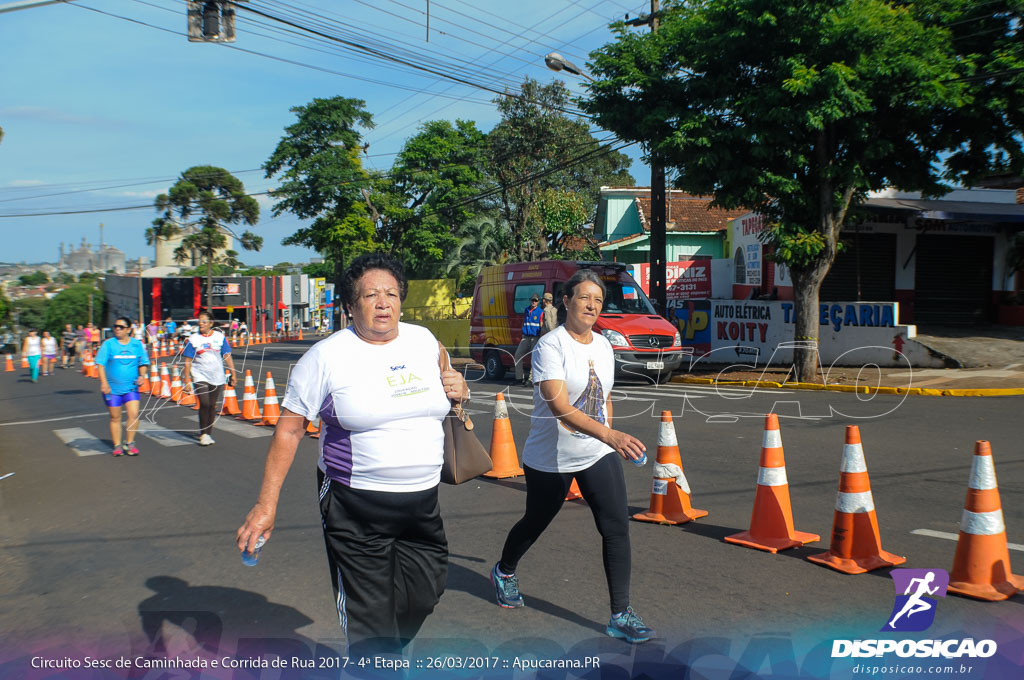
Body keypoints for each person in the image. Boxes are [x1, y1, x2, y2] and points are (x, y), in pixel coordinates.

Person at [236, 253, 468, 655]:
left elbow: (450, 384)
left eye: (391, 293)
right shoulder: (325, 358)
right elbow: (289, 429)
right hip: (355, 503)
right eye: (371, 294)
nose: (383, 302)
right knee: (371, 624)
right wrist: (265, 505)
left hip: (423, 502)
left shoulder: (424, 341)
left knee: (424, 596)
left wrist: (460, 390)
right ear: (349, 305)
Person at [490, 269, 656, 644]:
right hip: (551, 457)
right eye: (585, 298)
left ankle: (620, 614)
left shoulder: (604, 345)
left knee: (616, 527)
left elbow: (605, 396)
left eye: (598, 300)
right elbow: (560, 408)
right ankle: (504, 571)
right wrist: (611, 435)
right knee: (536, 521)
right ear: (565, 301)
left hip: (596, 452)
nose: (592, 305)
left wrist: (607, 440)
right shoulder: (551, 346)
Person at [95, 316, 150, 457]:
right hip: (112, 389)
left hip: (131, 388)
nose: (117, 329)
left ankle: (130, 443)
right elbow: (100, 364)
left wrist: (142, 375)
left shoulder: (136, 345)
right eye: (116, 326)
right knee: (115, 417)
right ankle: (117, 445)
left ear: (129, 329)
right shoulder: (108, 344)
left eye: (121, 327)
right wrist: (104, 383)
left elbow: (143, 362)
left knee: (133, 415)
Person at [182, 310, 237, 447]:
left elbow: (227, 355)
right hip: (199, 374)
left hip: (217, 375)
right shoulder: (194, 339)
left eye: (204, 321)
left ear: (211, 323)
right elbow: (188, 360)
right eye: (199, 321)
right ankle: (203, 434)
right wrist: (187, 380)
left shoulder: (219, 337)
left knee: (212, 405)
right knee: (204, 403)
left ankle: (208, 432)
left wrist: (233, 373)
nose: (201, 324)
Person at [513, 293, 543, 386]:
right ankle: (519, 378)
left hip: (535, 337)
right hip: (526, 337)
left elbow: (541, 325)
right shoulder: (526, 310)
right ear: (530, 300)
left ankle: (530, 379)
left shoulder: (540, 312)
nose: (533, 302)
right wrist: (523, 332)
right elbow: (524, 322)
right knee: (518, 355)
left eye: (535, 300)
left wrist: (540, 337)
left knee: (533, 358)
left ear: (538, 302)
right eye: (532, 300)